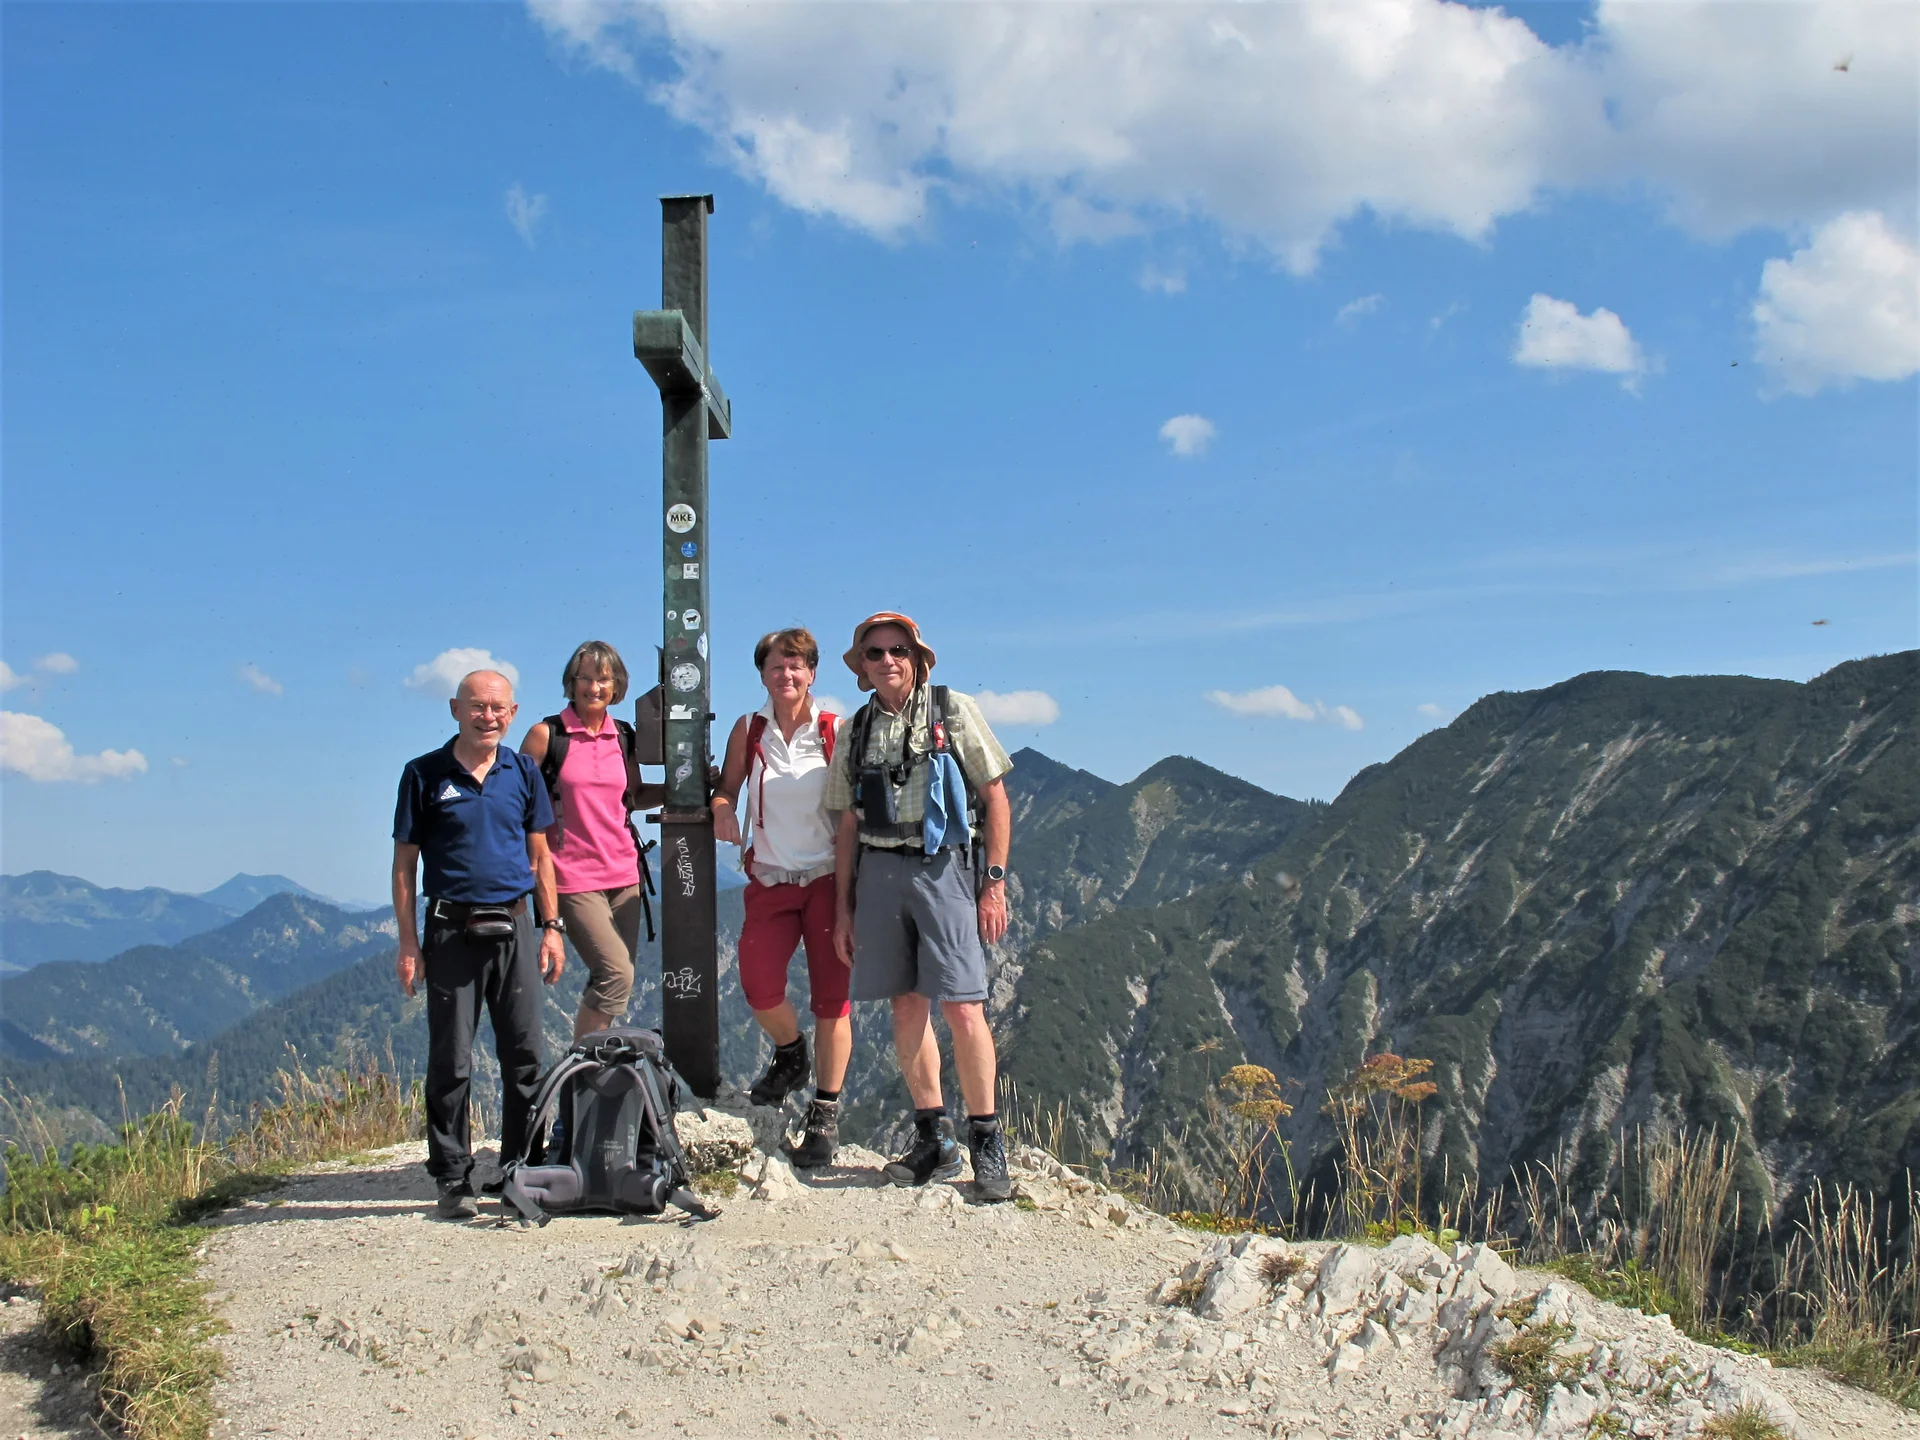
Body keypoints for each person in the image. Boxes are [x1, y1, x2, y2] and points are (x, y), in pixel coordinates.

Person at [826, 612, 1016, 1201]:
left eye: (898, 650)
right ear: (863, 666)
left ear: (917, 657)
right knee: (906, 1007)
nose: (888, 661)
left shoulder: (951, 709)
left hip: (944, 867)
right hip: (879, 872)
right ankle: (931, 1135)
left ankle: (986, 1140)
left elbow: (995, 798)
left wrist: (993, 883)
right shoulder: (855, 731)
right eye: (876, 653)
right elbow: (847, 824)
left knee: (963, 1006)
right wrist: (843, 909)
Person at [393, 669, 567, 1220]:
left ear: (513, 714)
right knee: (451, 1059)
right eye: (477, 706)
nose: (487, 716)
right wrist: (407, 943)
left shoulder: (522, 772)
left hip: (515, 926)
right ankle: (452, 1177)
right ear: (455, 709)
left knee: (525, 1058)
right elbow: (405, 866)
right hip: (449, 930)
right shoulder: (423, 774)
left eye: (498, 708)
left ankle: (521, 1169)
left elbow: (540, 855)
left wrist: (552, 926)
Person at [711, 627, 849, 1167]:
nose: (786, 675)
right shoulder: (750, 729)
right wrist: (723, 807)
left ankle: (825, 1113)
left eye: (796, 666)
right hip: (769, 878)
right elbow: (728, 786)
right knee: (758, 984)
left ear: (812, 672)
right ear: (763, 674)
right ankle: (792, 1054)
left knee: (831, 1000)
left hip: (825, 880)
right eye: (775, 667)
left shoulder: (835, 730)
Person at [520, 641, 664, 1045]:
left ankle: (591, 1070)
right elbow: (516, 803)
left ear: (616, 685)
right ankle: (582, 1069)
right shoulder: (547, 735)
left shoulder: (622, 735)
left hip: (625, 874)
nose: (594, 687)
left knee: (612, 979)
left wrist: (686, 788)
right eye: (586, 677)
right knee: (617, 974)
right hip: (571, 876)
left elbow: (632, 796)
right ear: (572, 681)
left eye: (604, 679)